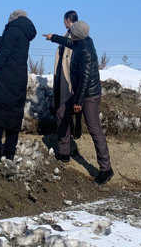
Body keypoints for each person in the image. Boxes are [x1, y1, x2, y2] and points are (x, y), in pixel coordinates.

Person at [43, 20, 114, 184]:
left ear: (76, 34)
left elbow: (86, 79)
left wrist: (78, 102)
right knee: (61, 114)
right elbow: (69, 43)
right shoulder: (81, 42)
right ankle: (64, 152)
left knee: (94, 129)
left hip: (89, 95)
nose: (70, 33)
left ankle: (106, 169)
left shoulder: (86, 51)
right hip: (81, 93)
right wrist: (53, 37)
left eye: (72, 31)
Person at [0, 9, 37, 162]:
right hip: (19, 79)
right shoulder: (23, 33)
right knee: (14, 114)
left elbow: (5, 50)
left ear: (12, 19)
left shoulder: (12, 30)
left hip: (5, 77)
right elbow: (6, 42)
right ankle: (10, 152)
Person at [47, 10, 82, 150]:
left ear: (68, 20)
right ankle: (71, 129)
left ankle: (75, 129)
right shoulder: (68, 33)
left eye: (64, 20)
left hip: (70, 74)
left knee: (69, 102)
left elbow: (70, 45)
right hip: (63, 73)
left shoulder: (76, 33)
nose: (63, 22)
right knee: (64, 101)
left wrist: (53, 37)